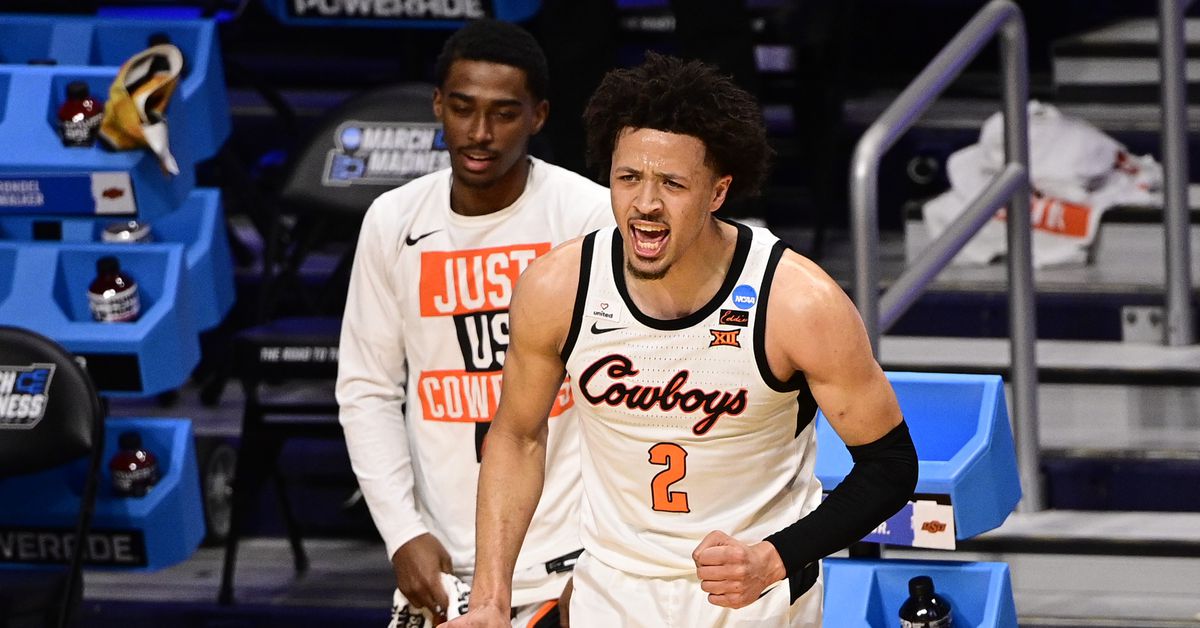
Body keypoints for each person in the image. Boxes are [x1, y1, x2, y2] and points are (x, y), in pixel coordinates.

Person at [444, 53, 918, 627]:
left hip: (752, 597)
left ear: (718, 192)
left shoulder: (797, 301)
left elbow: (890, 466)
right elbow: (517, 437)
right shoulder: (558, 287)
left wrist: (775, 557)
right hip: (612, 592)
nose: (646, 203)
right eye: (629, 178)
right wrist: (490, 599)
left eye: (672, 183)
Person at [336, 19, 612, 627]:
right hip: (445, 566)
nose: (480, 133)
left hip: (574, 563)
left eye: (504, 114)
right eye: (463, 108)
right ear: (438, 104)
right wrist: (401, 531)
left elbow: (628, 396)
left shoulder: (589, 217)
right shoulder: (392, 220)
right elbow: (366, 389)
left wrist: (607, 563)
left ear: (539, 116)